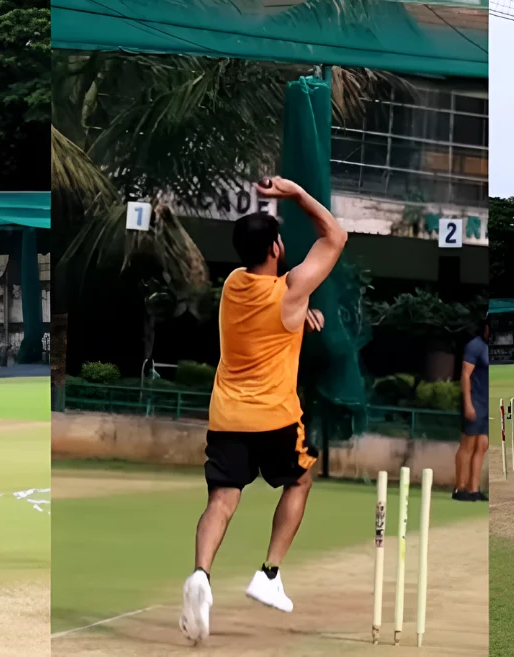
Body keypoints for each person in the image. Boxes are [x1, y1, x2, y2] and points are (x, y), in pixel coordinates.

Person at [179, 177, 347, 645]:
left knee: (221, 501)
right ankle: (269, 574)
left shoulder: (234, 285)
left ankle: (200, 576)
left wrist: (300, 317)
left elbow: (274, 319)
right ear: (276, 247)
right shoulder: (290, 291)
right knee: (299, 481)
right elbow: (335, 237)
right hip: (273, 418)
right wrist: (297, 196)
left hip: (227, 416)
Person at [454, 317, 490, 501]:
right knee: (467, 444)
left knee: (482, 445)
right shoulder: (475, 346)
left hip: (487, 402)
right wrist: (468, 403)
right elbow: (465, 375)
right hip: (474, 401)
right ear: (486, 327)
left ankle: (473, 488)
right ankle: (459, 488)